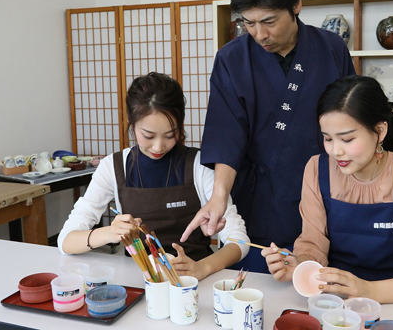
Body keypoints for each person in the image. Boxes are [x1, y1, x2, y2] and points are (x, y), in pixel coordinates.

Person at [181, 0, 355, 273]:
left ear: (297, 5)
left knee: (321, 294)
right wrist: (218, 196)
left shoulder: (331, 49)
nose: (259, 34)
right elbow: (226, 134)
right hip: (258, 202)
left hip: (324, 199)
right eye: (248, 22)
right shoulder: (231, 59)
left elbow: (351, 126)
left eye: (269, 21)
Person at [262, 75, 393, 303]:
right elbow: (313, 243)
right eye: (328, 139)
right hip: (333, 299)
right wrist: (300, 263)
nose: (336, 152)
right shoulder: (316, 168)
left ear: (380, 131)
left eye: (347, 139)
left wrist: (368, 291)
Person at [58, 72, 249, 281]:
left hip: (193, 282)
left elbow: (238, 240)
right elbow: (65, 241)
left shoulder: (199, 165)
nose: (159, 147)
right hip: (138, 281)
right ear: (131, 124)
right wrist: (110, 233)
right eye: (148, 136)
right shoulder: (113, 167)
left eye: (170, 135)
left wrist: (202, 268)